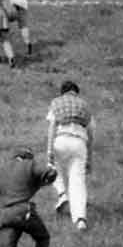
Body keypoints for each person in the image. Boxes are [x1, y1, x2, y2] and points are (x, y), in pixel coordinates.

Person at [46, 80, 96, 231]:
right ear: (76, 92)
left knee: (54, 170)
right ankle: (80, 219)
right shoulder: (85, 105)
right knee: (77, 181)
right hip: (79, 143)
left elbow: (52, 127)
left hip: (60, 139)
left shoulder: (56, 103)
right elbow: (91, 134)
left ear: (63, 92)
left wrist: (49, 151)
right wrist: (90, 159)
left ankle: (62, 194)